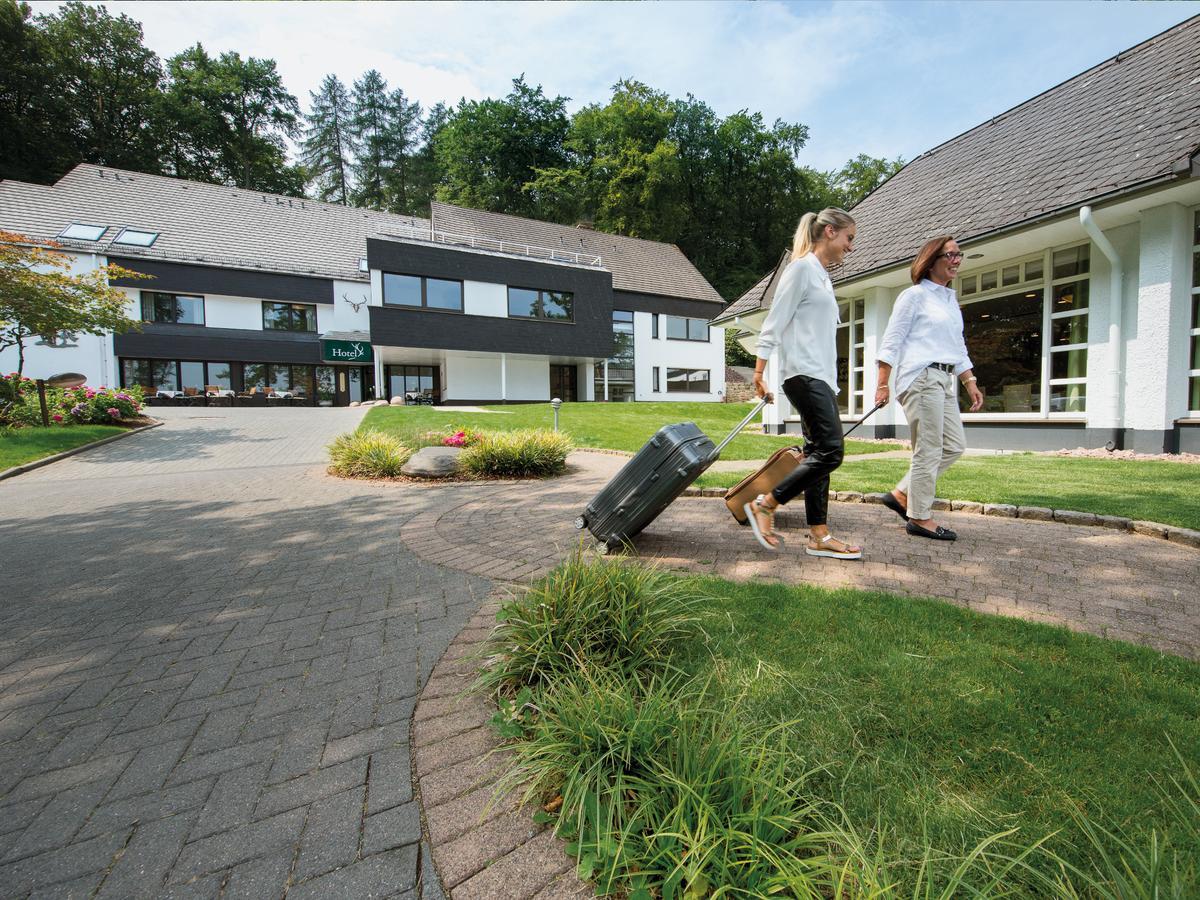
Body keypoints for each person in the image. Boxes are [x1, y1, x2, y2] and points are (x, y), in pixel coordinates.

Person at [746, 207, 862, 559]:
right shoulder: (800, 270)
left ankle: (819, 536)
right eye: (849, 238)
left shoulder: (822, 277)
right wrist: (758, 372)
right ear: (829, 231)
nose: (850, 247)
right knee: (832, 450)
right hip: (803, 375)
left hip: (820, 378)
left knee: (817, 455)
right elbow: (774, 322)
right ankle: (766, 504)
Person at [874, 235, 984, 541]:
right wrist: (882, 383)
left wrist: (969, 381)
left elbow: (957, 346)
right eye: (949, 255)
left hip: (944, 380)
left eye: (958, 255)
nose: (956, 260)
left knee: (953, 445)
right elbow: (892, 341)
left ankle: (902, 494)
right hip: (920, 378)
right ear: (931, 260)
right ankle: (920, 517)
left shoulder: (949, 300)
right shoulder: (914, 296)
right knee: (929, 449)